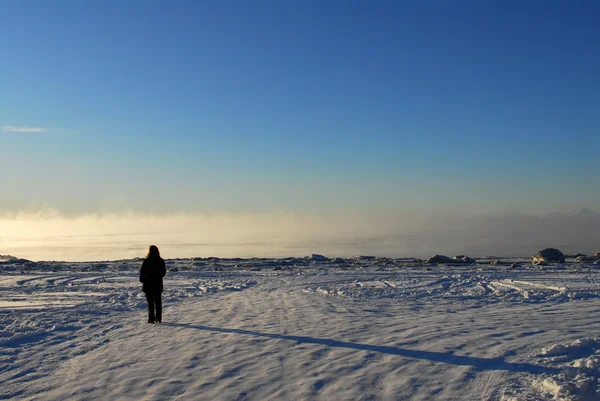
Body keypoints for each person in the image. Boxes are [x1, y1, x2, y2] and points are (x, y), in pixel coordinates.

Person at [139, 245, 166, 323]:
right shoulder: (160, 261)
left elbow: (142, 272)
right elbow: (163, 272)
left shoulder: (147, 261)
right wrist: (158, 277)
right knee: (158, 302)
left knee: (150, 303)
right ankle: (158, 318)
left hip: (148, 285)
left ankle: (151, 318)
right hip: (157, 284)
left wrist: (143, 280)